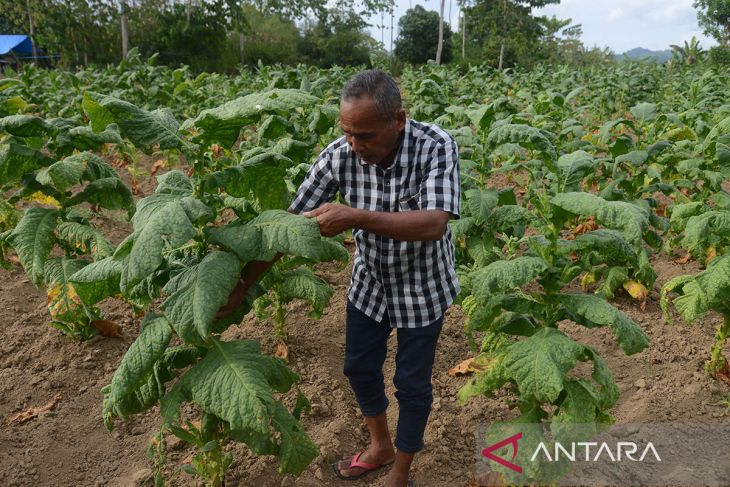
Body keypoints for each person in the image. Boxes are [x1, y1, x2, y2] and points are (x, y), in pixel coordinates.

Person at [216, 70, 460, 487]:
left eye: (364, 135)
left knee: (411, 384)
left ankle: (401, 473)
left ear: (397, 120)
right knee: (359, 368)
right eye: (347, 132)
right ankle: (380, 445)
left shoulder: (434, 146)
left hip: (423, 284)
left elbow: (434, 223)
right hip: (371, 283)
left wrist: (355, 216)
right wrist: (242, 284)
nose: (354, 145)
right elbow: (288, 225)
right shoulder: (338, 155)